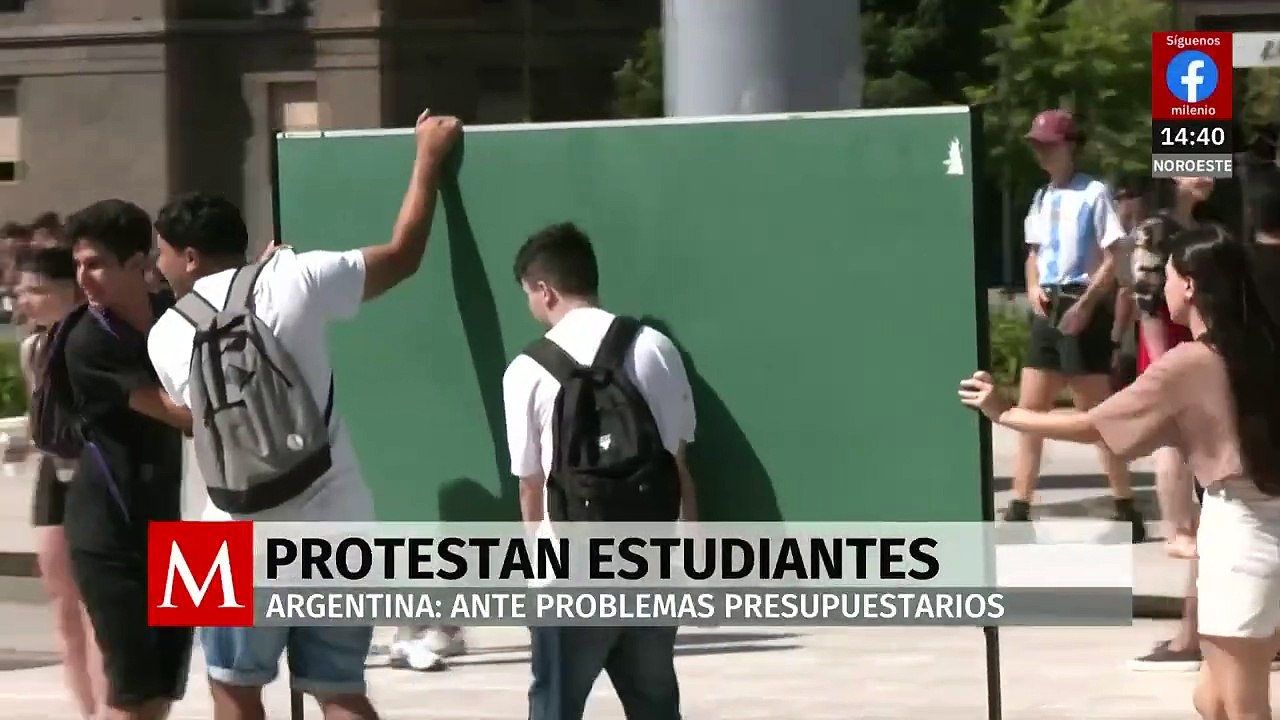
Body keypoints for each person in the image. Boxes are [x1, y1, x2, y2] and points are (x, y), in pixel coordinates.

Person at [145, 110, 461, 720]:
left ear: (188, 256)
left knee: (233, 691)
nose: (159, 266)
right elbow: (403, 256)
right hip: (339, 523)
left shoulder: (165, 335)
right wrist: (427, 159)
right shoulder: (298, 276)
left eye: (162, 255)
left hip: (223, 536)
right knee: (339, 691)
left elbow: (201, 416)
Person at [960, 224, 1280, 720]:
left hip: (1243, 534)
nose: (1160, 287)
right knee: (1212, 700)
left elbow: (1094, 424)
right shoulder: (1258, 348)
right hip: (1242, 528)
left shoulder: (1190, 362)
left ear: (1190, 285)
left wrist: (1005, 414)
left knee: (1241, 707)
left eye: (1168, 276)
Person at [501, 222, 697, 720]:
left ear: (544, 290)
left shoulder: (526, 370)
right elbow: (678, 468)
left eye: (528, 293)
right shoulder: (654, 347)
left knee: (553, 710)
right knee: (656, 708)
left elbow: (530, 487)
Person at [61, 199, 193, 720]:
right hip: (113, 535)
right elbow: (181, 416)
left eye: (95, 264)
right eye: (78, 264)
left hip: (187, 527)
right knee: (134, 696)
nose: (83, 277)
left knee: (165, 691)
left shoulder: (174, 319)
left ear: (139, 264)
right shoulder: (89, 341)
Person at [1006, 108, 1142, 541]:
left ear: (1070, 146)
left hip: (1080, 302)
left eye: (1048, 144)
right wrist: (1031, 288)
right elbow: (1033, 252)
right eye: (1037, 144)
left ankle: (1125, 505)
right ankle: (1019, 503)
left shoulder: (1094, 193)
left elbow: (1113, 255)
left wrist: (1086, 304)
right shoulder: (1041, 197)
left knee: (1097, 414)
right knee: (1029, 413)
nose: (1041, 152)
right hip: (1048, 305)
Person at [13, 246, 107, 719]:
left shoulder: (100, 337)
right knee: (63, 600)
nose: (22, 299)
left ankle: (113, 708)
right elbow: (42, 418)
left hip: (100, 470)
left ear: (70, 290)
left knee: (98, 605)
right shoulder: (34, 347)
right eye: (19, 290)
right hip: (55, 470)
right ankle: (87, 709)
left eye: (35, 290)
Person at [1126, 177, 1215, 671]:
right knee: (1172, 440)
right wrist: (1163, 366)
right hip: (1169, 349)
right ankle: (1176, 524)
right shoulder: (1155, 231)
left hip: (1194, 347)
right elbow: (1145, 300)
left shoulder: (1202, 229)